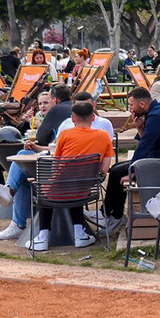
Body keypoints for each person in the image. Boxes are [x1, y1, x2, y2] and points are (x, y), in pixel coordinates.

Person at [0, 84, 75, 241]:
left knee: (22, 157)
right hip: (79, 171)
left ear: (55, 99)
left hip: (60, 169)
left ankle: (13, 207)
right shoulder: (74, 111)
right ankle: (14, 211)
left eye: (48, 102)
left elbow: (41, 135)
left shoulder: (57, 110)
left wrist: (37, 143)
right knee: (23, 174)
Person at [26, 101, 114, 251]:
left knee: (45, 188)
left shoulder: (65, 134)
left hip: (58, 189)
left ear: (72, 118)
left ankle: (43, 236)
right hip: (85, 189)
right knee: (77, 185)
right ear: (93, 118)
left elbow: (55, 163)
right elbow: (104, 169)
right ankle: (79, 234)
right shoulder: (104, 136)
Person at [97, 87, 160, 235]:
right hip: (158, 161)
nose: (130, 108)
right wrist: (139, 128)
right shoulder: (155, 111)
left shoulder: (157, 116)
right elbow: (147, 142)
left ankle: (109, 214)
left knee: (118, 172)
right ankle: (112, 214)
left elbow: (145, 146)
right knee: (116, 168)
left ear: (142, 104)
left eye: (131, 105)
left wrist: (133, 172)